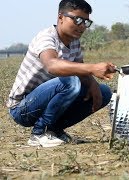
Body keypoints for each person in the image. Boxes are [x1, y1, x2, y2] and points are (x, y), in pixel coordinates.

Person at [6, 0, 116, 147]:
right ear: (60, 17)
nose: (82, 26)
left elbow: (81, 70)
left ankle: (54, 130)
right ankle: (39, 133)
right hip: (23, 107)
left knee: (104, 92)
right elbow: (52, 65)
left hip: (48, 100)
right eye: (77, 20)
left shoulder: (74, 42)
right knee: (70, 81)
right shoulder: (46, 37)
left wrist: (93, 86)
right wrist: (92, 68)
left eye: (86, 22)